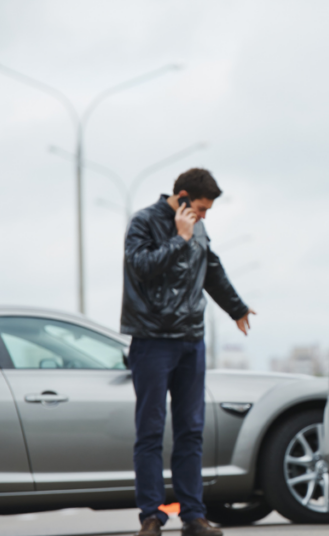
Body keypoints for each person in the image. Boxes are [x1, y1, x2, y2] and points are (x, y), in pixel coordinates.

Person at [121, 168, 256, 536]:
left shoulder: (198, 226)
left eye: (207, 210)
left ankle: (193, 516)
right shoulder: (144, 222)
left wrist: (236, 308)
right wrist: (179, 238)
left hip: (191, 340)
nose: (204, 215)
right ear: (181, 197)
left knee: (191, 431)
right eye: (199, 207)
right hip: (151, 340)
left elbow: (210, 268)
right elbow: (141, 268)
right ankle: (151, 515)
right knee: (150, 431)